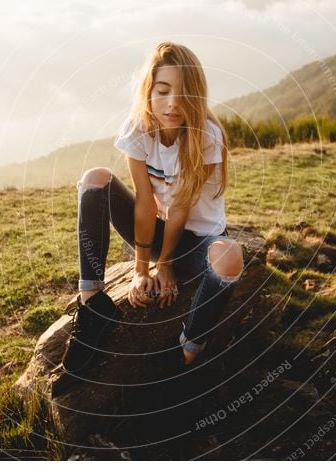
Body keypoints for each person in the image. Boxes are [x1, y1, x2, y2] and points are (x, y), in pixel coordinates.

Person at [59, 41, 244, 379]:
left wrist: (167, 266)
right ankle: (93, 307)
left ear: (197, 96)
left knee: (230, 255)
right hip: (155, 230)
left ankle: (186, 354)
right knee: (95, 179)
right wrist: (141, 269)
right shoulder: (138, 127)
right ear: (149, 91)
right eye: (163, 90)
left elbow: (180, 210)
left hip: (197, 242)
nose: (173, 102)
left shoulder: (207, 136)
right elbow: (145, 202)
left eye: (184, 93)